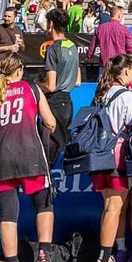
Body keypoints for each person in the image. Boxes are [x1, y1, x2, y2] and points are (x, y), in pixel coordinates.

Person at [0, 53, 59, 262]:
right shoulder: (32, 89)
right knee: (44, 204)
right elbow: (51, 122)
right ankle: (44, 256)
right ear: (19, 70)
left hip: (2, 156)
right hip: (30, 154)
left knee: (7, 214)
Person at [88, 55, 132, 262]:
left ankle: (108, 255)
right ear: (125, 71)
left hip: (98, 154)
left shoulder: (102, 93)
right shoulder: (128, 96)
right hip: (118, 156)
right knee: (114, 208)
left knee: (109, 208)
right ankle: (103, 261)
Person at [40, 9, 79, 156]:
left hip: (54, 103)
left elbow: (51, 86)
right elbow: (77, 81)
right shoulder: (73, 46)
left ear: (51, 24)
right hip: (68, 103)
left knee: (50, 149)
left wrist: (37, 85)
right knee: (63, 149)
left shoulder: (53, 49)